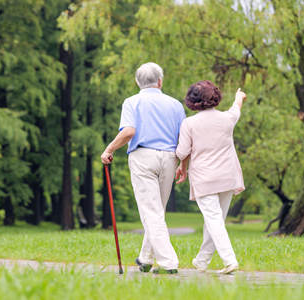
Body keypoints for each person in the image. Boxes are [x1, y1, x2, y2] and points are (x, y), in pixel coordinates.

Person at [101, 62, 186, 274]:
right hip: (169, 157)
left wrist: (109, 149)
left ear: (137, 82)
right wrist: (184, 164)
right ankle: (146, 259)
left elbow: (129, 131)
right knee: (157, 211)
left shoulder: (132, 102)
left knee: (152, 212)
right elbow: (183, 138)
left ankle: (168, 263)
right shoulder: (175, 104)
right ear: (160, 81)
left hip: (143, 156)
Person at [175, 80, 246, 274]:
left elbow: (182, 151)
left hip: (204, 178)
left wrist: (181, 165)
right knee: (216, 221)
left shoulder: (189, 123)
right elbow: (236, 108)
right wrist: (239, 96)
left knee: (214, 220)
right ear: (214, 97)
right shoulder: (227, 118)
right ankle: (202, 260)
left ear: (192, 101)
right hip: (227, 176)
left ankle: (230, 260)